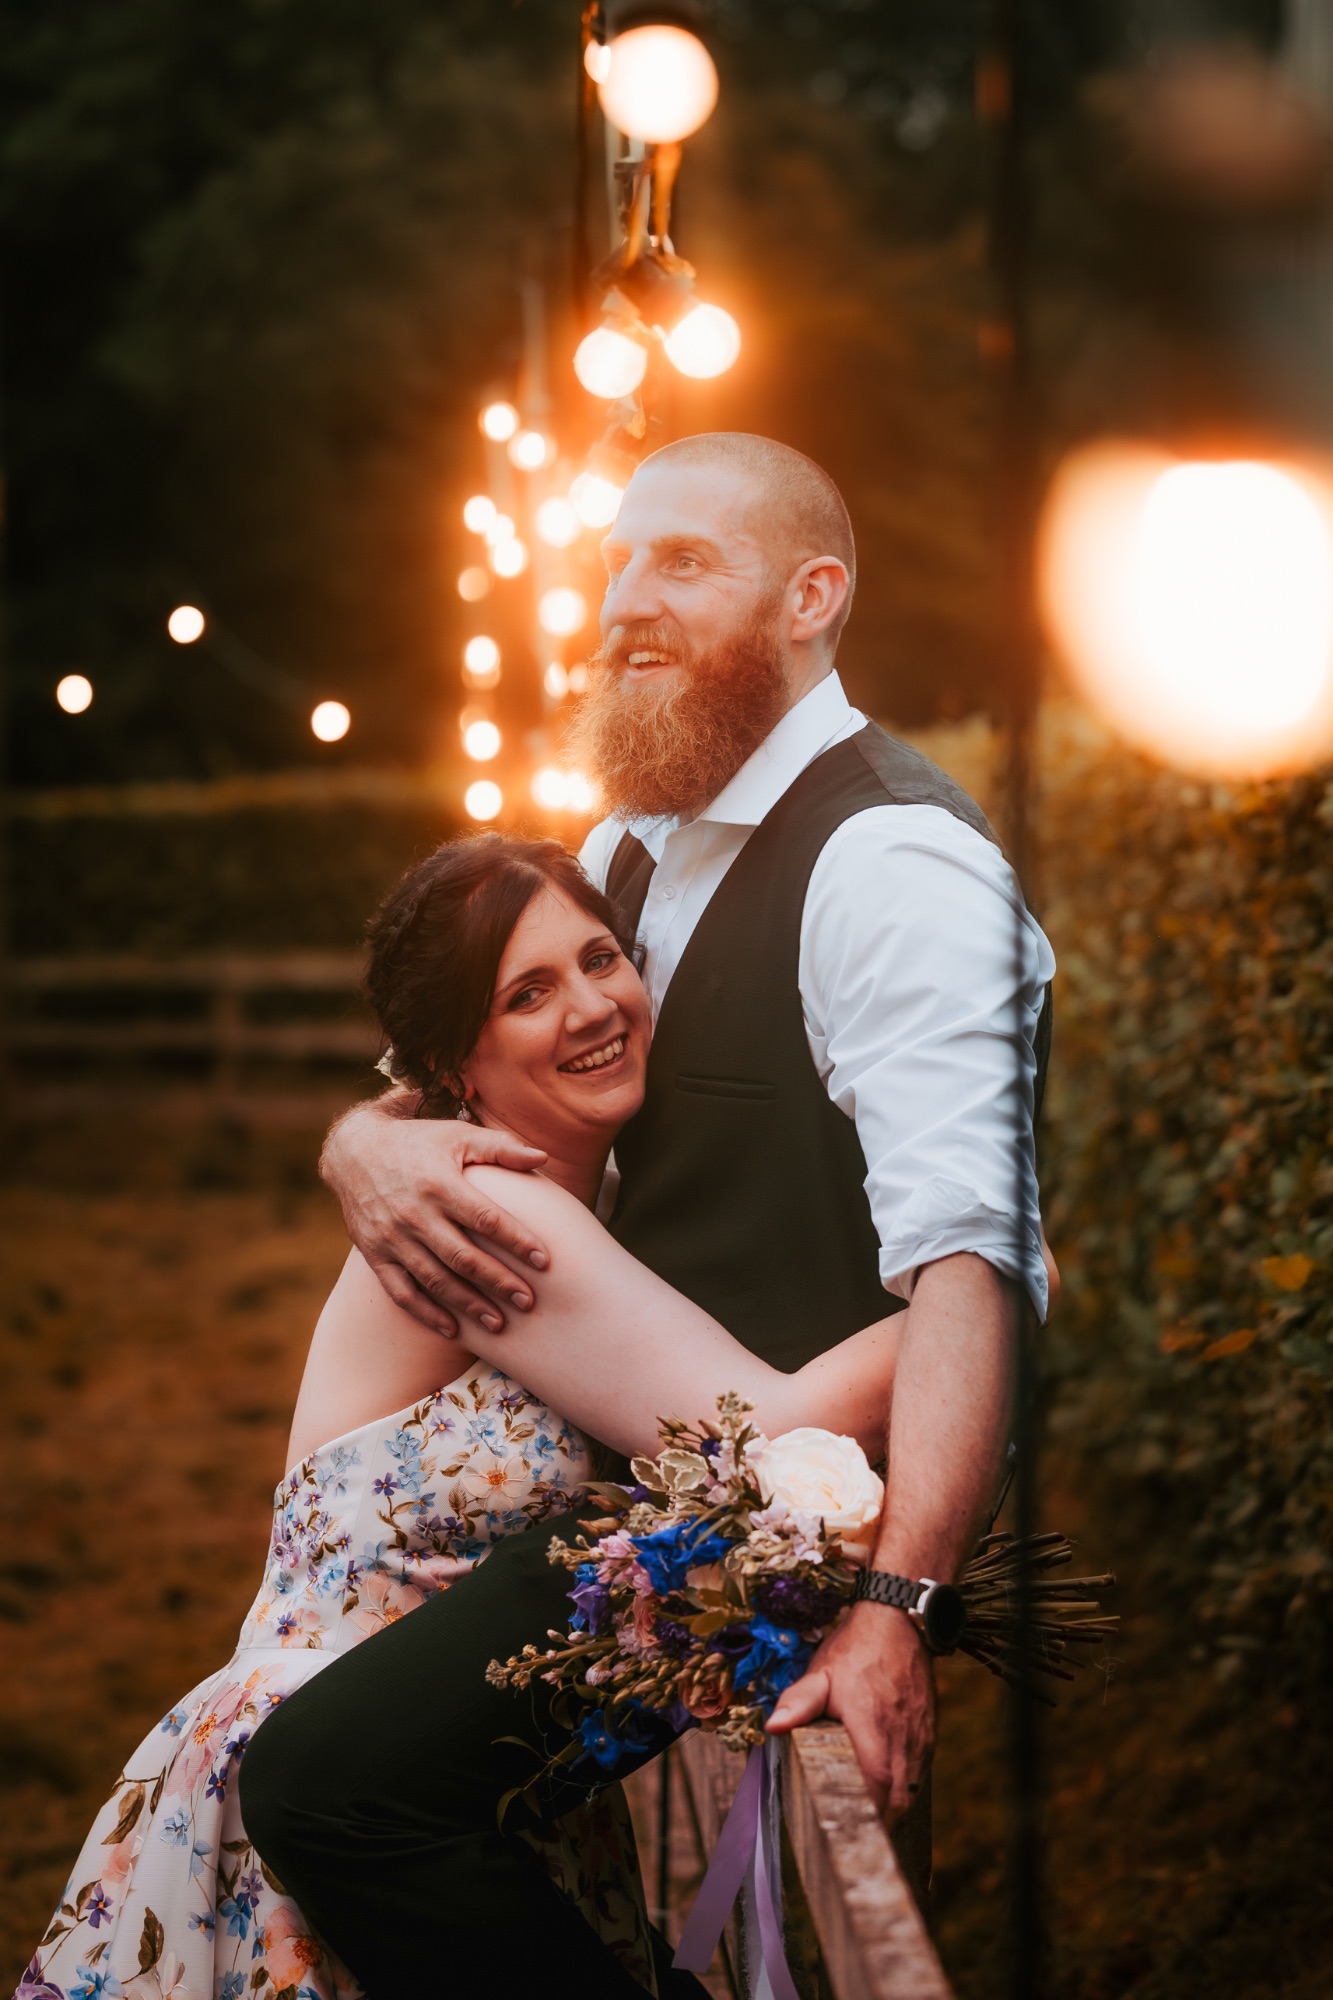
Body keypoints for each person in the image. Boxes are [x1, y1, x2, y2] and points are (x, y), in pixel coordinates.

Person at [237, 432, 1057, 1997]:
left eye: (683, 561)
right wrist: (365, 1142)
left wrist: (894, 1604)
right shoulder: (626, 845)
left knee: (347, 1793)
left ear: (815, 597)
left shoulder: (894, 863)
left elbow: (975, 1260)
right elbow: (490, 1064)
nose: (625, 598)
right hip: (646, 1493)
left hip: (773, 1531)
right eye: (619, 560)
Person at [16, 832, 913, 2000]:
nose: (591, 1005)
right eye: (527, 992)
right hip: (357, 1789)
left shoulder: (591, 1189)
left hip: (457, 1767)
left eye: (600, 957)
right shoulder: (487, 1203)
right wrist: (976, 1277)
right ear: (455, 1056)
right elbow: (761, 1428)